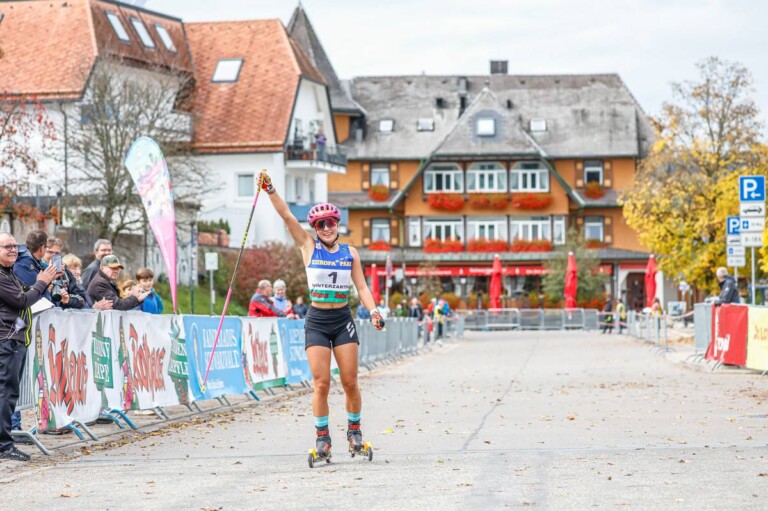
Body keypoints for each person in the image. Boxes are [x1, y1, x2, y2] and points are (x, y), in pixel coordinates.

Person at [258, 169, 383, 461]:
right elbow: (288, 216)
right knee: (322, 384)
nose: (326, 227)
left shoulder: (350, 253)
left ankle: (354, 432)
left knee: (350, 381)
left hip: (342, 320)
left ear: (338, 224)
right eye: (320, 224)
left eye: (331, 223)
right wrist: (271, 189)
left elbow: (362, 287)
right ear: (314, 228)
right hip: (317, 320)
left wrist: (374, 311)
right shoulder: (308, 247)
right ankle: (323, 438)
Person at [0, 231, 57, 461]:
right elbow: (22, 300)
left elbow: (25, 294)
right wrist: (42, 282)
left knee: (9, 393)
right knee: (6, 392)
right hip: (7, 339)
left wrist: (42, 285)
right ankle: (4, 446)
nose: (13, 250)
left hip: (15, 338)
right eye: (7, 247)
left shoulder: (9, 273)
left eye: (15, 246)